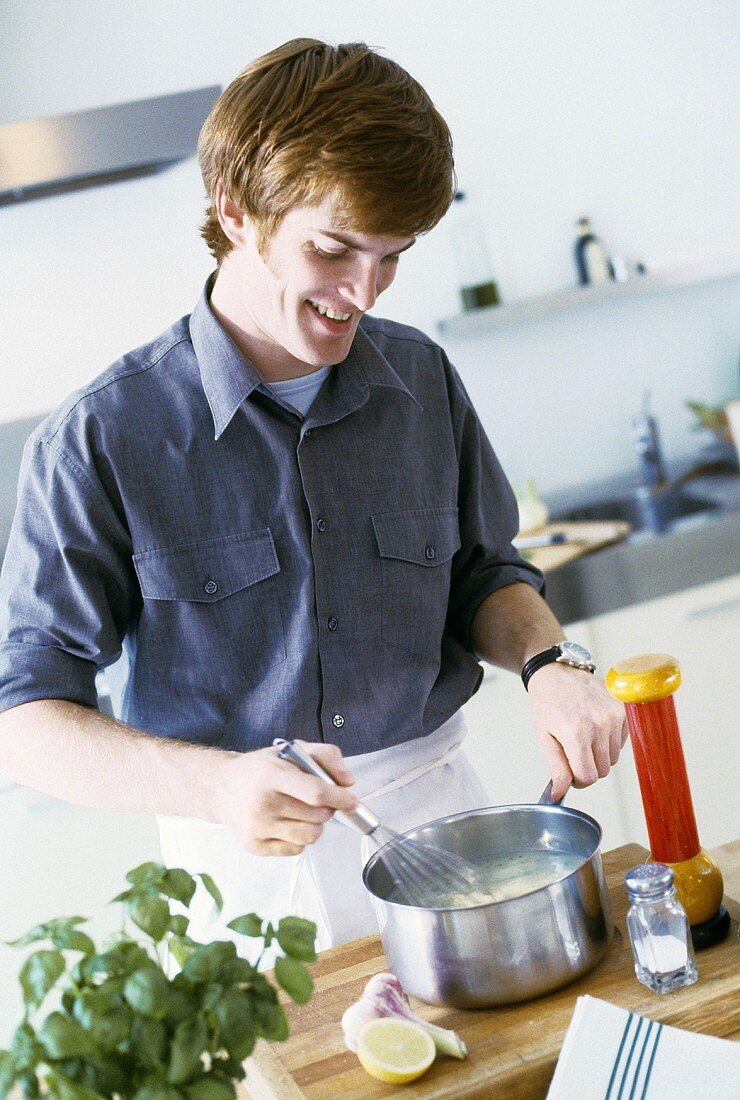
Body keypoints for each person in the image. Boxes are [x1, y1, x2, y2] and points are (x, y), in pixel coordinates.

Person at [0, 38, 627, 952]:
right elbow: (23, 716)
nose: (363, 293)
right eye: (334, 250)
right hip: (241, 867)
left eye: (393, 257)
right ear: (238, 213)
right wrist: (217, 787)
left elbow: (485, 574)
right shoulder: (102, 436)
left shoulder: (422, 379)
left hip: (443, 825)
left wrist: (549, 665)